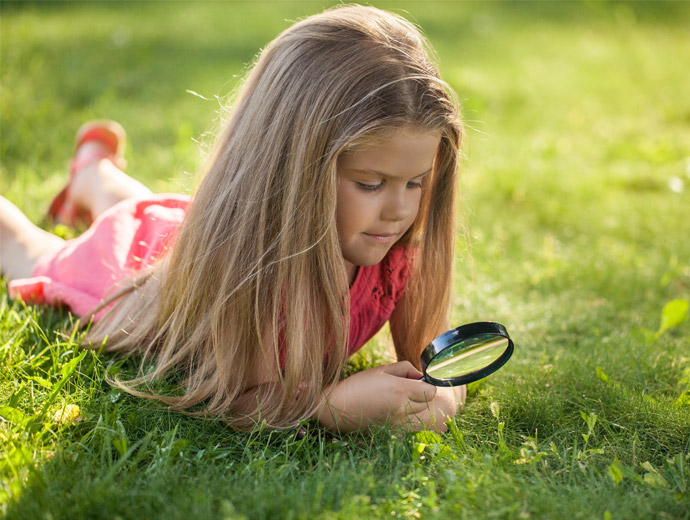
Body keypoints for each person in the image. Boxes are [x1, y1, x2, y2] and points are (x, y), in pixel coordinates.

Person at [1, 5, 467, 433]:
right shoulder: (251, 271)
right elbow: (240, 401)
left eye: (416, 182)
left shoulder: (396, 246)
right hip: (136, 264)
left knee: (144, 210)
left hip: (178, 231)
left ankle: (93, 172)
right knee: (30, 246)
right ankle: (92, 176)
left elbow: (433, 361)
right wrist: (332, 405)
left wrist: (441, 394)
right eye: (370, 184)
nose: (400, 210)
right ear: (291, 173)